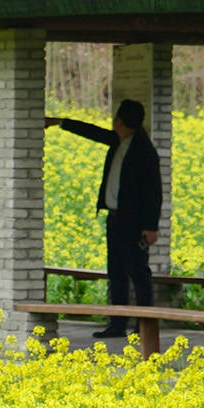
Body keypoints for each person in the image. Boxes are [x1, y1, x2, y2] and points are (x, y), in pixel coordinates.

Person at [45, 96, 161, 337]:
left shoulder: (144, 151)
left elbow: (154, 192)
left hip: (134, 223)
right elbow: (92, 132)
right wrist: (59, 122)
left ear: (119, 121)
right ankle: (118, 325)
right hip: (115, 218)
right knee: (116, 272)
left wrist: (151, 226)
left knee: (138, 273)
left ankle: (144, 326)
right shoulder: (119, 141)